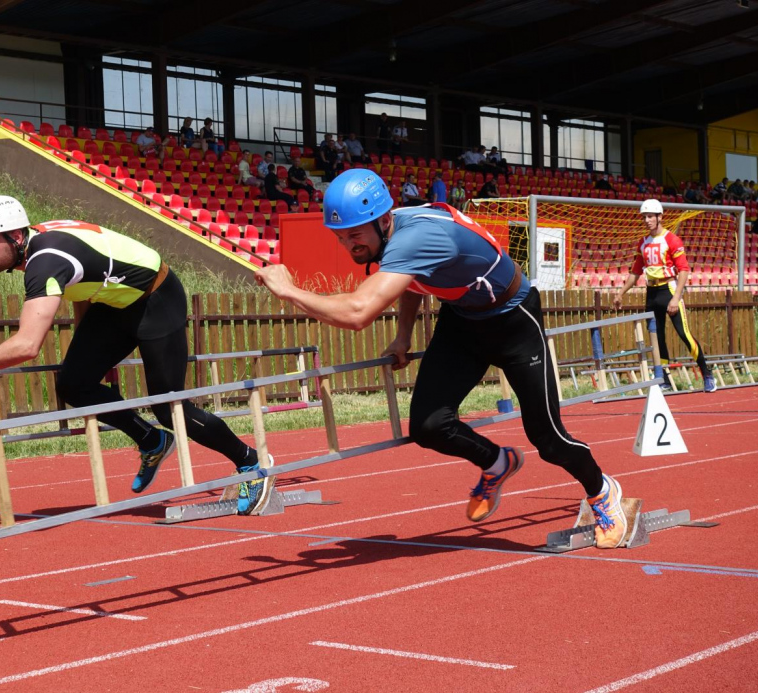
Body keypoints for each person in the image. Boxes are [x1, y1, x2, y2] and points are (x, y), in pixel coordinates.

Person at [253, 169, 630, 549]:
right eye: (340, 237)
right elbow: (412, 277)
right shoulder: (397, 231)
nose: (349, 246)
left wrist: (288, 291)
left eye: (355, 235)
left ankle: (602, 492)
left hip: (513, 321)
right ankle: (498, 463)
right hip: (463, 321)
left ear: (384, 221)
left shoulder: (418, 236)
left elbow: (357, 313)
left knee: (548, 440)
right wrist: (403, 335)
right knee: (428, 425)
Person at [0, 197, 273, 513]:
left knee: (168, 406)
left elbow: (27, 345)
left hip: (156, 298)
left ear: (16, 237)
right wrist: (94, 353)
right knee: (74, 383)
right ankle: (152, 441)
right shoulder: (38, 244)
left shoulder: (44, 261)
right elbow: (86, 281)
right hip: (114, 303)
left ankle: (251, 461)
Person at [613, 199, 716, 393]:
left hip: (669, 289)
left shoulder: (672, 240)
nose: (647, 220)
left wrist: (676, 298)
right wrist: (620, 293)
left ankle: (707, 373)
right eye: (644, 217)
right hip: (651, 293)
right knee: (656, 338)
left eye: (650, 216)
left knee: (684, 334)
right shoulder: (642, 243)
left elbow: (684, 270)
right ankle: (664, 378)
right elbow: (635, 273)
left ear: (660, 217)